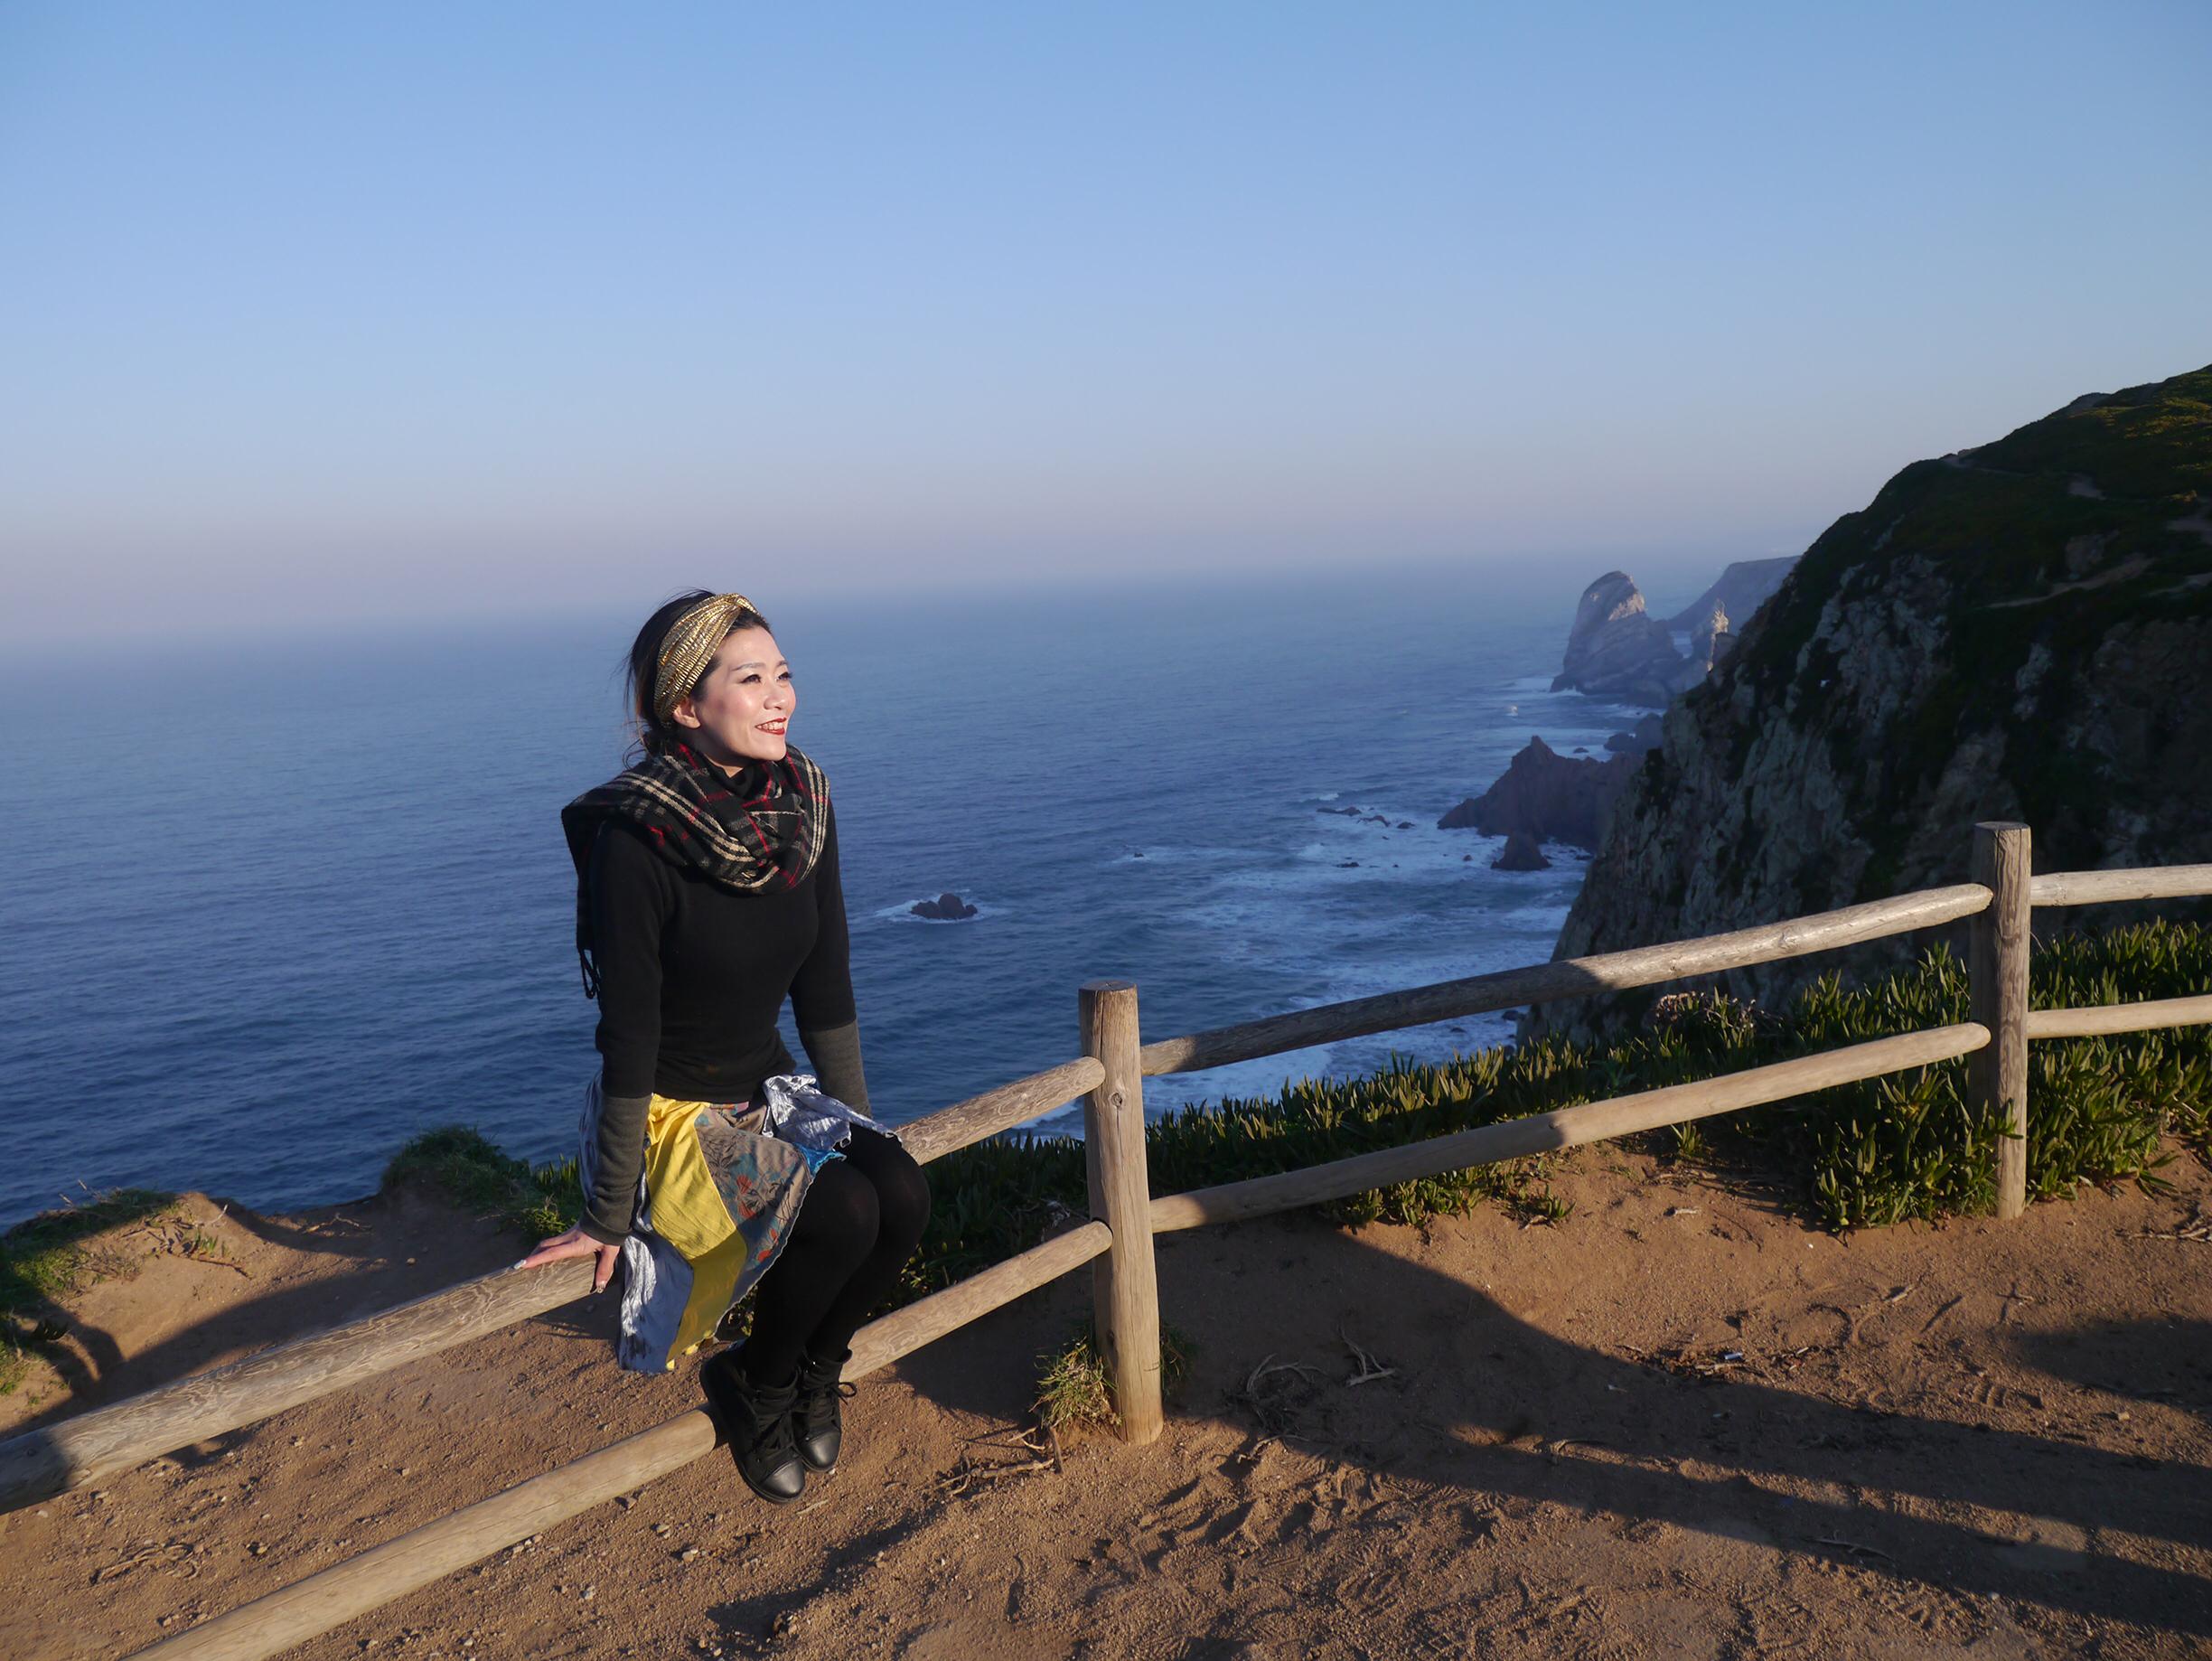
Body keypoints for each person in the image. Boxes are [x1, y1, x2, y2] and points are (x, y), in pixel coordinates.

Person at [522, 590, 932, 1506]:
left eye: (783, 673)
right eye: (751, 679)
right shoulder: (635, 839)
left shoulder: (803, 805)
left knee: (899, 1191)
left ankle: (814, 1370)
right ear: (684, 705)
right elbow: (630, 1036)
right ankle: (759, 1383)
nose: (780, 696)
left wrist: (861, 1127)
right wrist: (605, 1213)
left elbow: (825, 986)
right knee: (842, 1211)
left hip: (766, 1087)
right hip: (674, 1112)